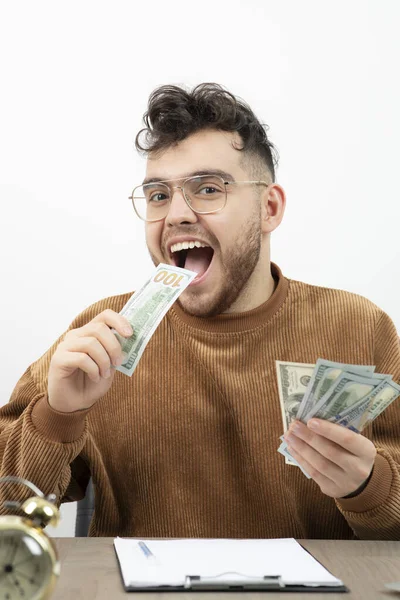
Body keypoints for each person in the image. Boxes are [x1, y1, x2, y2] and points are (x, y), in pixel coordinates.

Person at [1, 83, 399, 540]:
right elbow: (11, 514)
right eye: (157, 195)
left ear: (268, 207)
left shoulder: (360, 329)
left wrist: (371, 487)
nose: (177, 215)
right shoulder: (100, 335)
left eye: (207, 189)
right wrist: (58, 414)